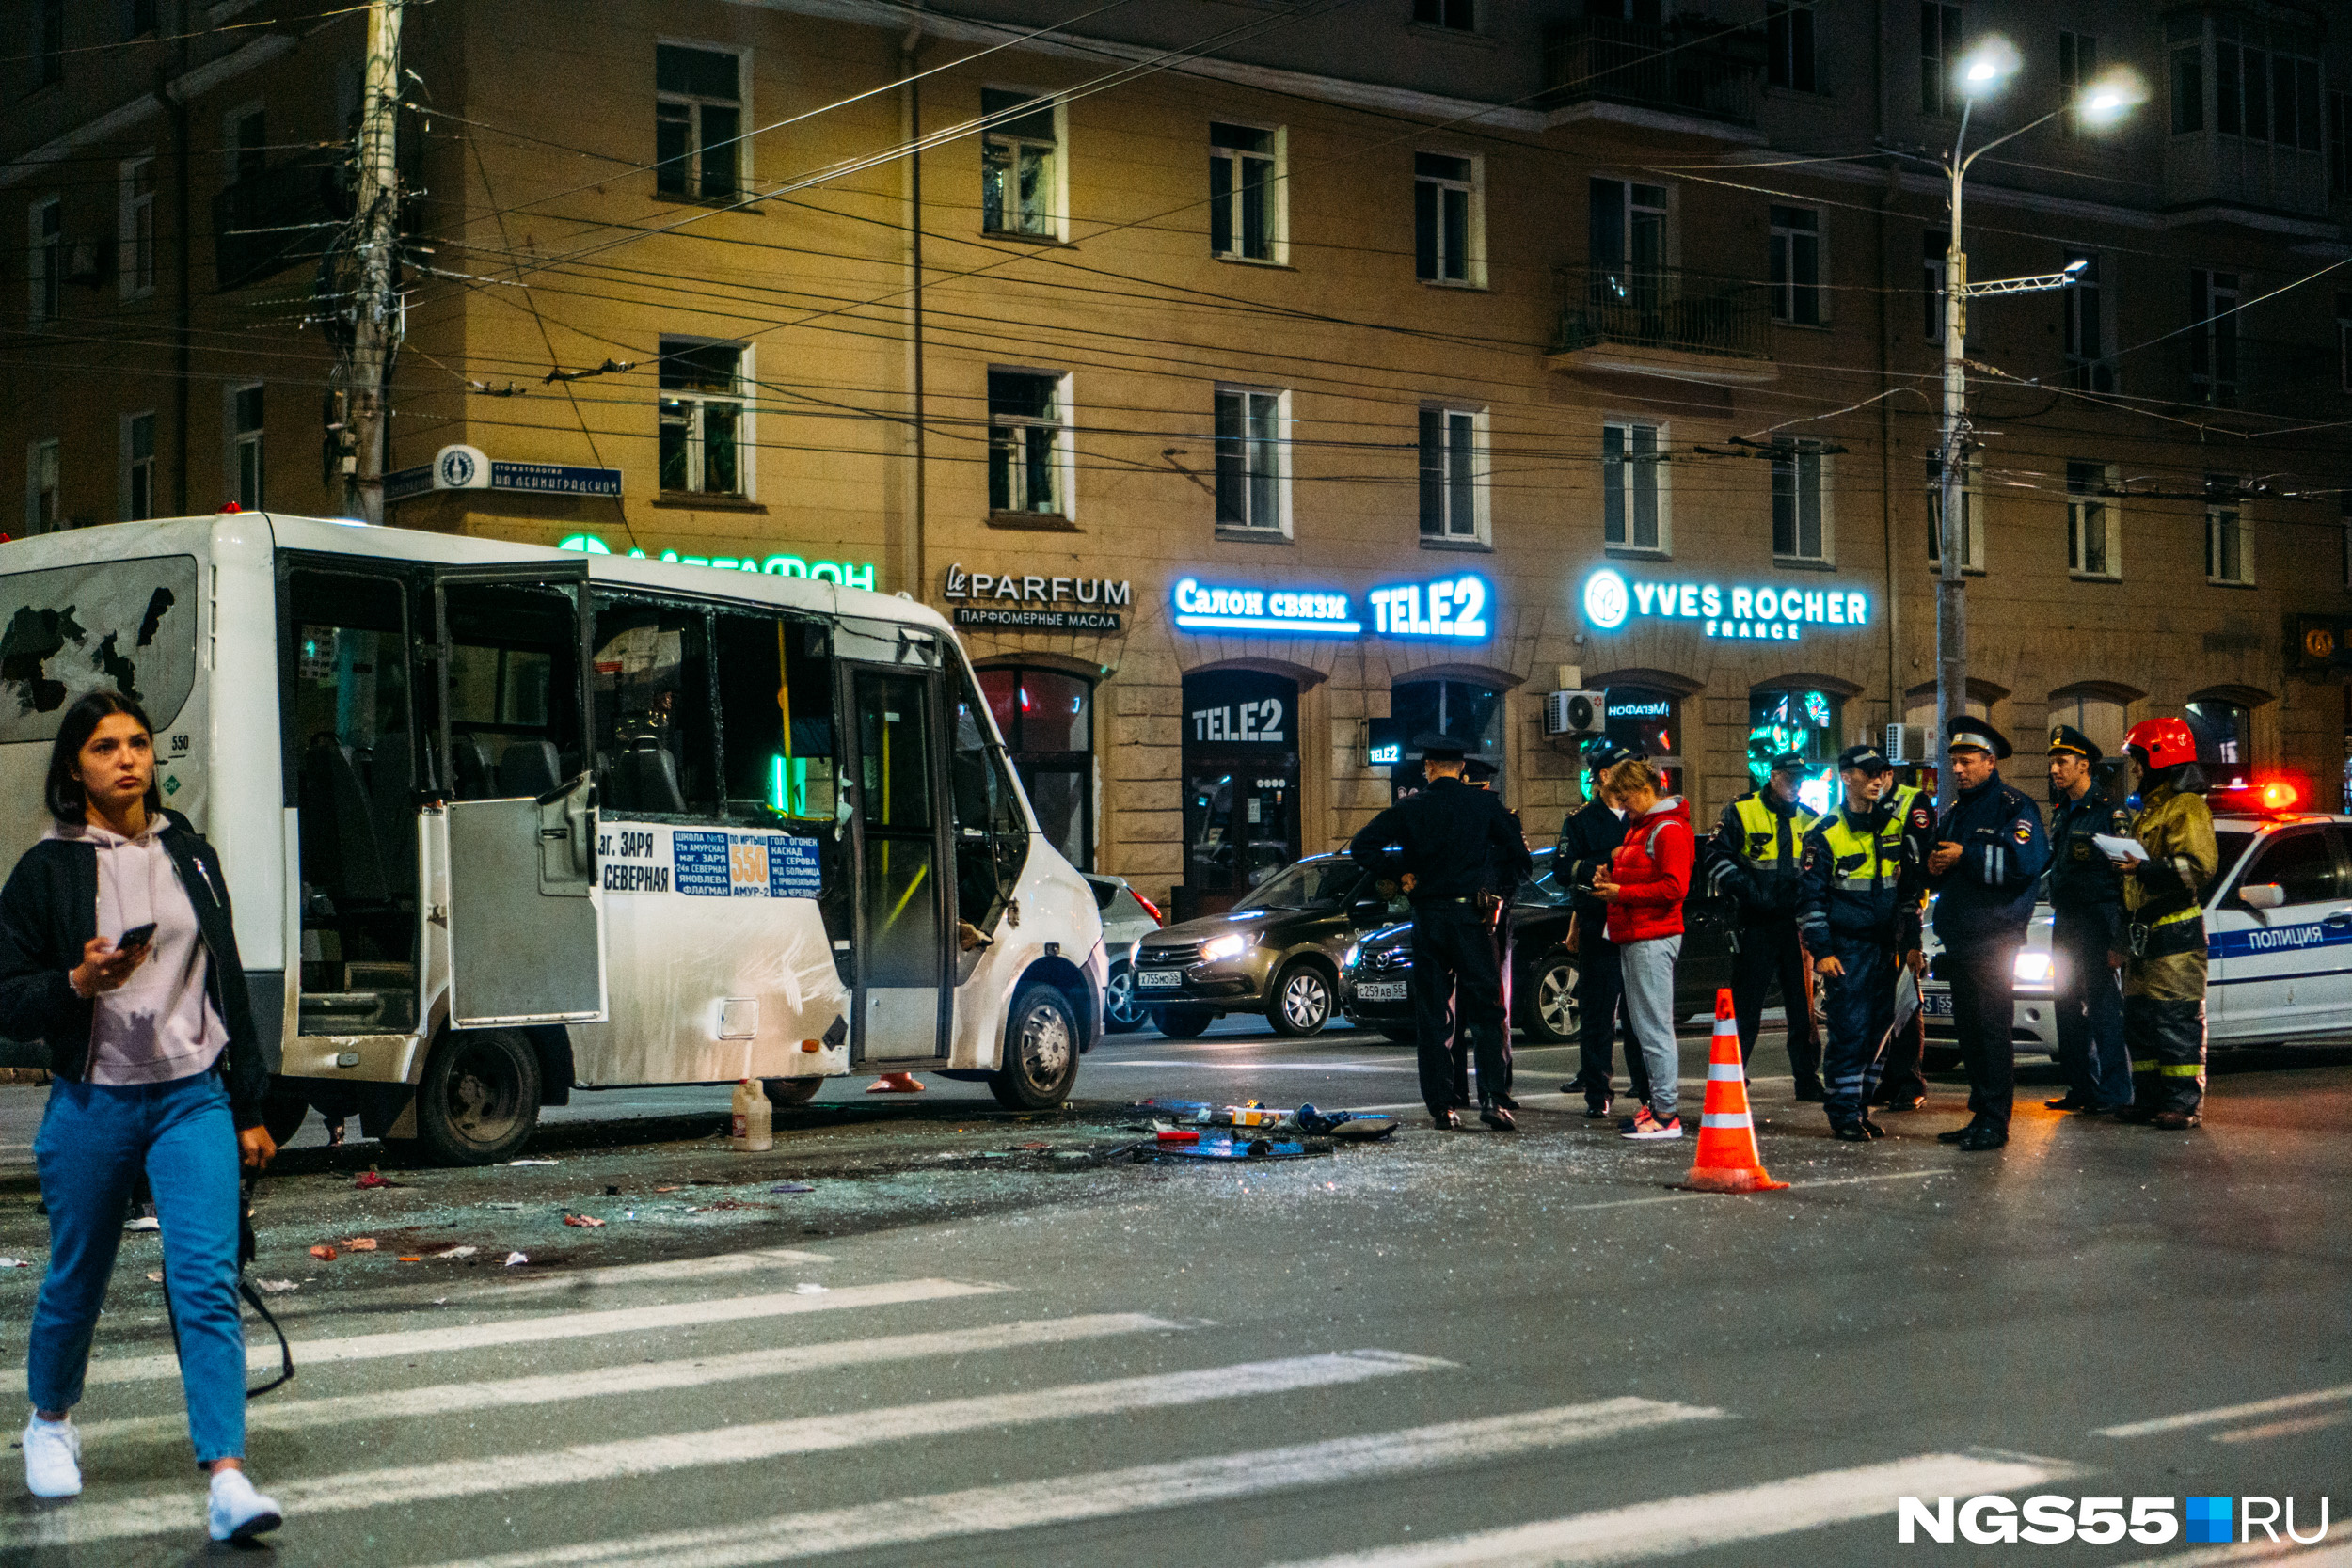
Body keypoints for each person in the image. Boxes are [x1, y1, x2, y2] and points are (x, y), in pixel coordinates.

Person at [0, 690, 285, 1542]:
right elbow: (6, 997)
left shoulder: (191, 854)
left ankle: (227, 1474)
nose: (126, 758)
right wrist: (76, 984)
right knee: (77, 1276)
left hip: (192, 1094)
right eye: (103, 747)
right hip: (93, 1098)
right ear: (74, 768)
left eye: (137, 743)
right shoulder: (45, 870)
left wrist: (249, 1104)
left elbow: (227, 976)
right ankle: (49, 1419)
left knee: (203, 1279)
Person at [1348, 733, 1531, 1131]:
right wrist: (1491, 884)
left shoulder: (1411, 807)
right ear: (1462, 768)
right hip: (1472, 918)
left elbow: (1361, 847)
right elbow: (1520, 857)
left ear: (1428, 768)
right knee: (1487, 1011)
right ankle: (1494, 1100)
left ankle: (1443, 1107)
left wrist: (1400, 873)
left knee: (1433, 1014)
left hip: (1429, 918)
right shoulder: (1484, 804)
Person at [1924, 718, 2050, 1152]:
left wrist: (1966, 856)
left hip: (1995, 936)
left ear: (1989, 762)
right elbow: (1944, 868)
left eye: (1965, 761)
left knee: (1992, 1031)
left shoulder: (2015, 807)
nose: (1957, 769)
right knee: (1971, 1032)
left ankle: (1996, 1121)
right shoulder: (1956, 814)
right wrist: (1935, 868)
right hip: (1960, 936)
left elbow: (2025, 865)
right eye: (1953, 761)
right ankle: (1980, 1113)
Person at [1795, 745, 1927, 1141]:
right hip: (1847, 950)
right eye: (1867, 773)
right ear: (1845, 776)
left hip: (1885, 948)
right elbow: (1810, 899)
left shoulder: (1891, 827)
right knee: (1850, 1031)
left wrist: (1913, 944)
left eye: (1881, 773)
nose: (1876, 780)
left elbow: (1907, 892)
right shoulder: (1825, 832)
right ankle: (1843, 1113)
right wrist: (1823, 952)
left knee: (1880, 1032)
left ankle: (1860, 1107)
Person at [2108, 717, 2218, 1131]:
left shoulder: (2187, 807)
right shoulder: (2152, 808)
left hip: (2175, 931)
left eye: (2138, 758)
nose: (2135, 768)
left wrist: (2143, 868)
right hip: (2145, 934)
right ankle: (2151, 1098)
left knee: (2175, 1023)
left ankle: (2183, 1104)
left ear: (2160, 758)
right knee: (2141, 1023)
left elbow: (2198, 868)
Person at [1708, 751, 1824, 1100]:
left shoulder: (1810, 819)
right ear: (1773, 777)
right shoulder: (1742, 810)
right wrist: (1746, 891)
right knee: (1746, 1006)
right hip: (1756, 922)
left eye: (1801, 779)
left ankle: (1806, 1078)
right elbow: (1715, 857)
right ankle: (1733, 1077)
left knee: (1802, 1009)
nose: (1797, 785)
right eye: (1791, 779)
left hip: (1796, 925)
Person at [1592, 756, 1692, 1141]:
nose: (1621, 805)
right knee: (1645, 1026)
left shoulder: (1665, 829)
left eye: (1624, 797)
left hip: (1652, 936)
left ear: (1645, 791)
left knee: (1653, 1028)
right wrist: (1612, 877)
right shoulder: (1645, 827)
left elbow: (1674, 888)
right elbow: (1649, 877)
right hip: (1637, 934)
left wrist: (1621, 892)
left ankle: (1666, 1113)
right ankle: (1659, 1107)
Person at [2044, 725, 2134, 1116]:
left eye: (2062, 762)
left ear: (2084, 766)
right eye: (2052, 762)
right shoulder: (2062, 812)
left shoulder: (2108, 813)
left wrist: (2119, 940)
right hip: (2065, 923)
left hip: (2098, 924)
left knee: (2102, 1009)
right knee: (2065, 1007)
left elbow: (2125, 880)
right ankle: (2081, 1086)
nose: (2054, 769)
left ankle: (2114, 1092)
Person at [1554, 740, 1644, 1117]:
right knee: (1597, 1014)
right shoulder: (1581, 821)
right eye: (1623, 772)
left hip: (1640, 925)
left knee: (1642, 1015)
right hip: (1599, 925)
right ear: (1605, 776)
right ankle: (1597, 1091)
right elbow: (1563, 869)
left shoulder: (1644, 816)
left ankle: (1647, 1089)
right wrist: (1596, 870)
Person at [1446, 755, 1519, 1113]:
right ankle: (1474, 1091)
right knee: (1474, 1011)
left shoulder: (1497, 817)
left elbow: (1514, 871)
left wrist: (1499, 901)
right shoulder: (1480, 816)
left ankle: (1492, 1087)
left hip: (1490, 919)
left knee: (1486, 1009)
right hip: (1473, 920)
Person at [1868, 773, 1940, 1114]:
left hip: (1902, 915)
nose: (1872, 782)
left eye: (1876, 775)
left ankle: (1910, 1081)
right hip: (1871, 920)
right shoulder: (1859, 806)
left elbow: (1918, 867)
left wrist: (1913, 936)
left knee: (1907, 1002)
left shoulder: (1913, 802)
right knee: (1880, 1003)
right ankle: (1888, 1078)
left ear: (1887, 775)